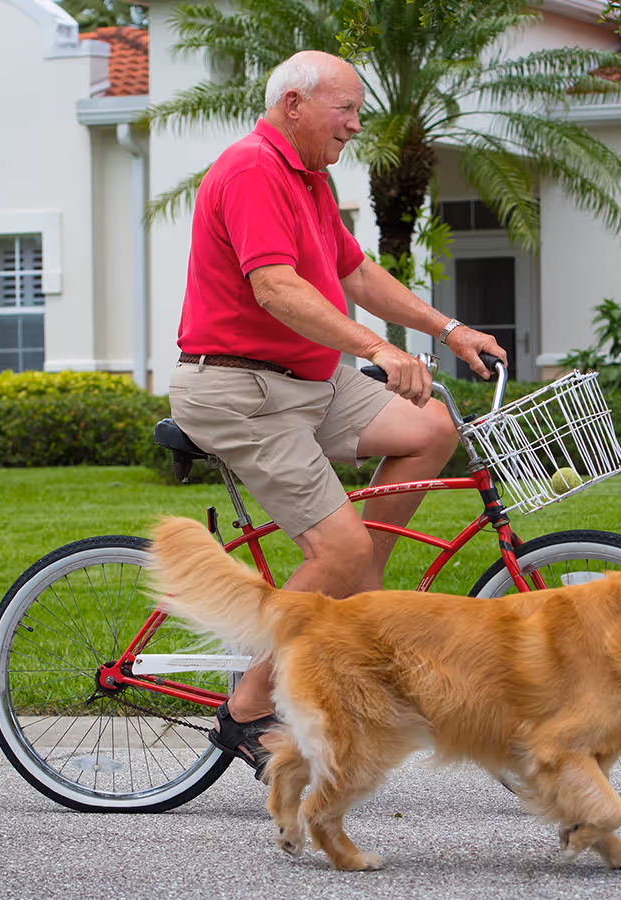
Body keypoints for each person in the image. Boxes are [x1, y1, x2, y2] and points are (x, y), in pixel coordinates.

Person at [168, 49, 507, 776]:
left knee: (432, 428)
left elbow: (355, 272)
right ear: (293, 105)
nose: (356, 124)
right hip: (238, 388)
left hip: (306, 379)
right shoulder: (254, 168)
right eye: (344, 108)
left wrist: (449, 331)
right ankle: (248, 708)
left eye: (358, 110)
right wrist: (378, 350)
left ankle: (353, 611)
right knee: (341, 548)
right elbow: (277, 290)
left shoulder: (309, 177)